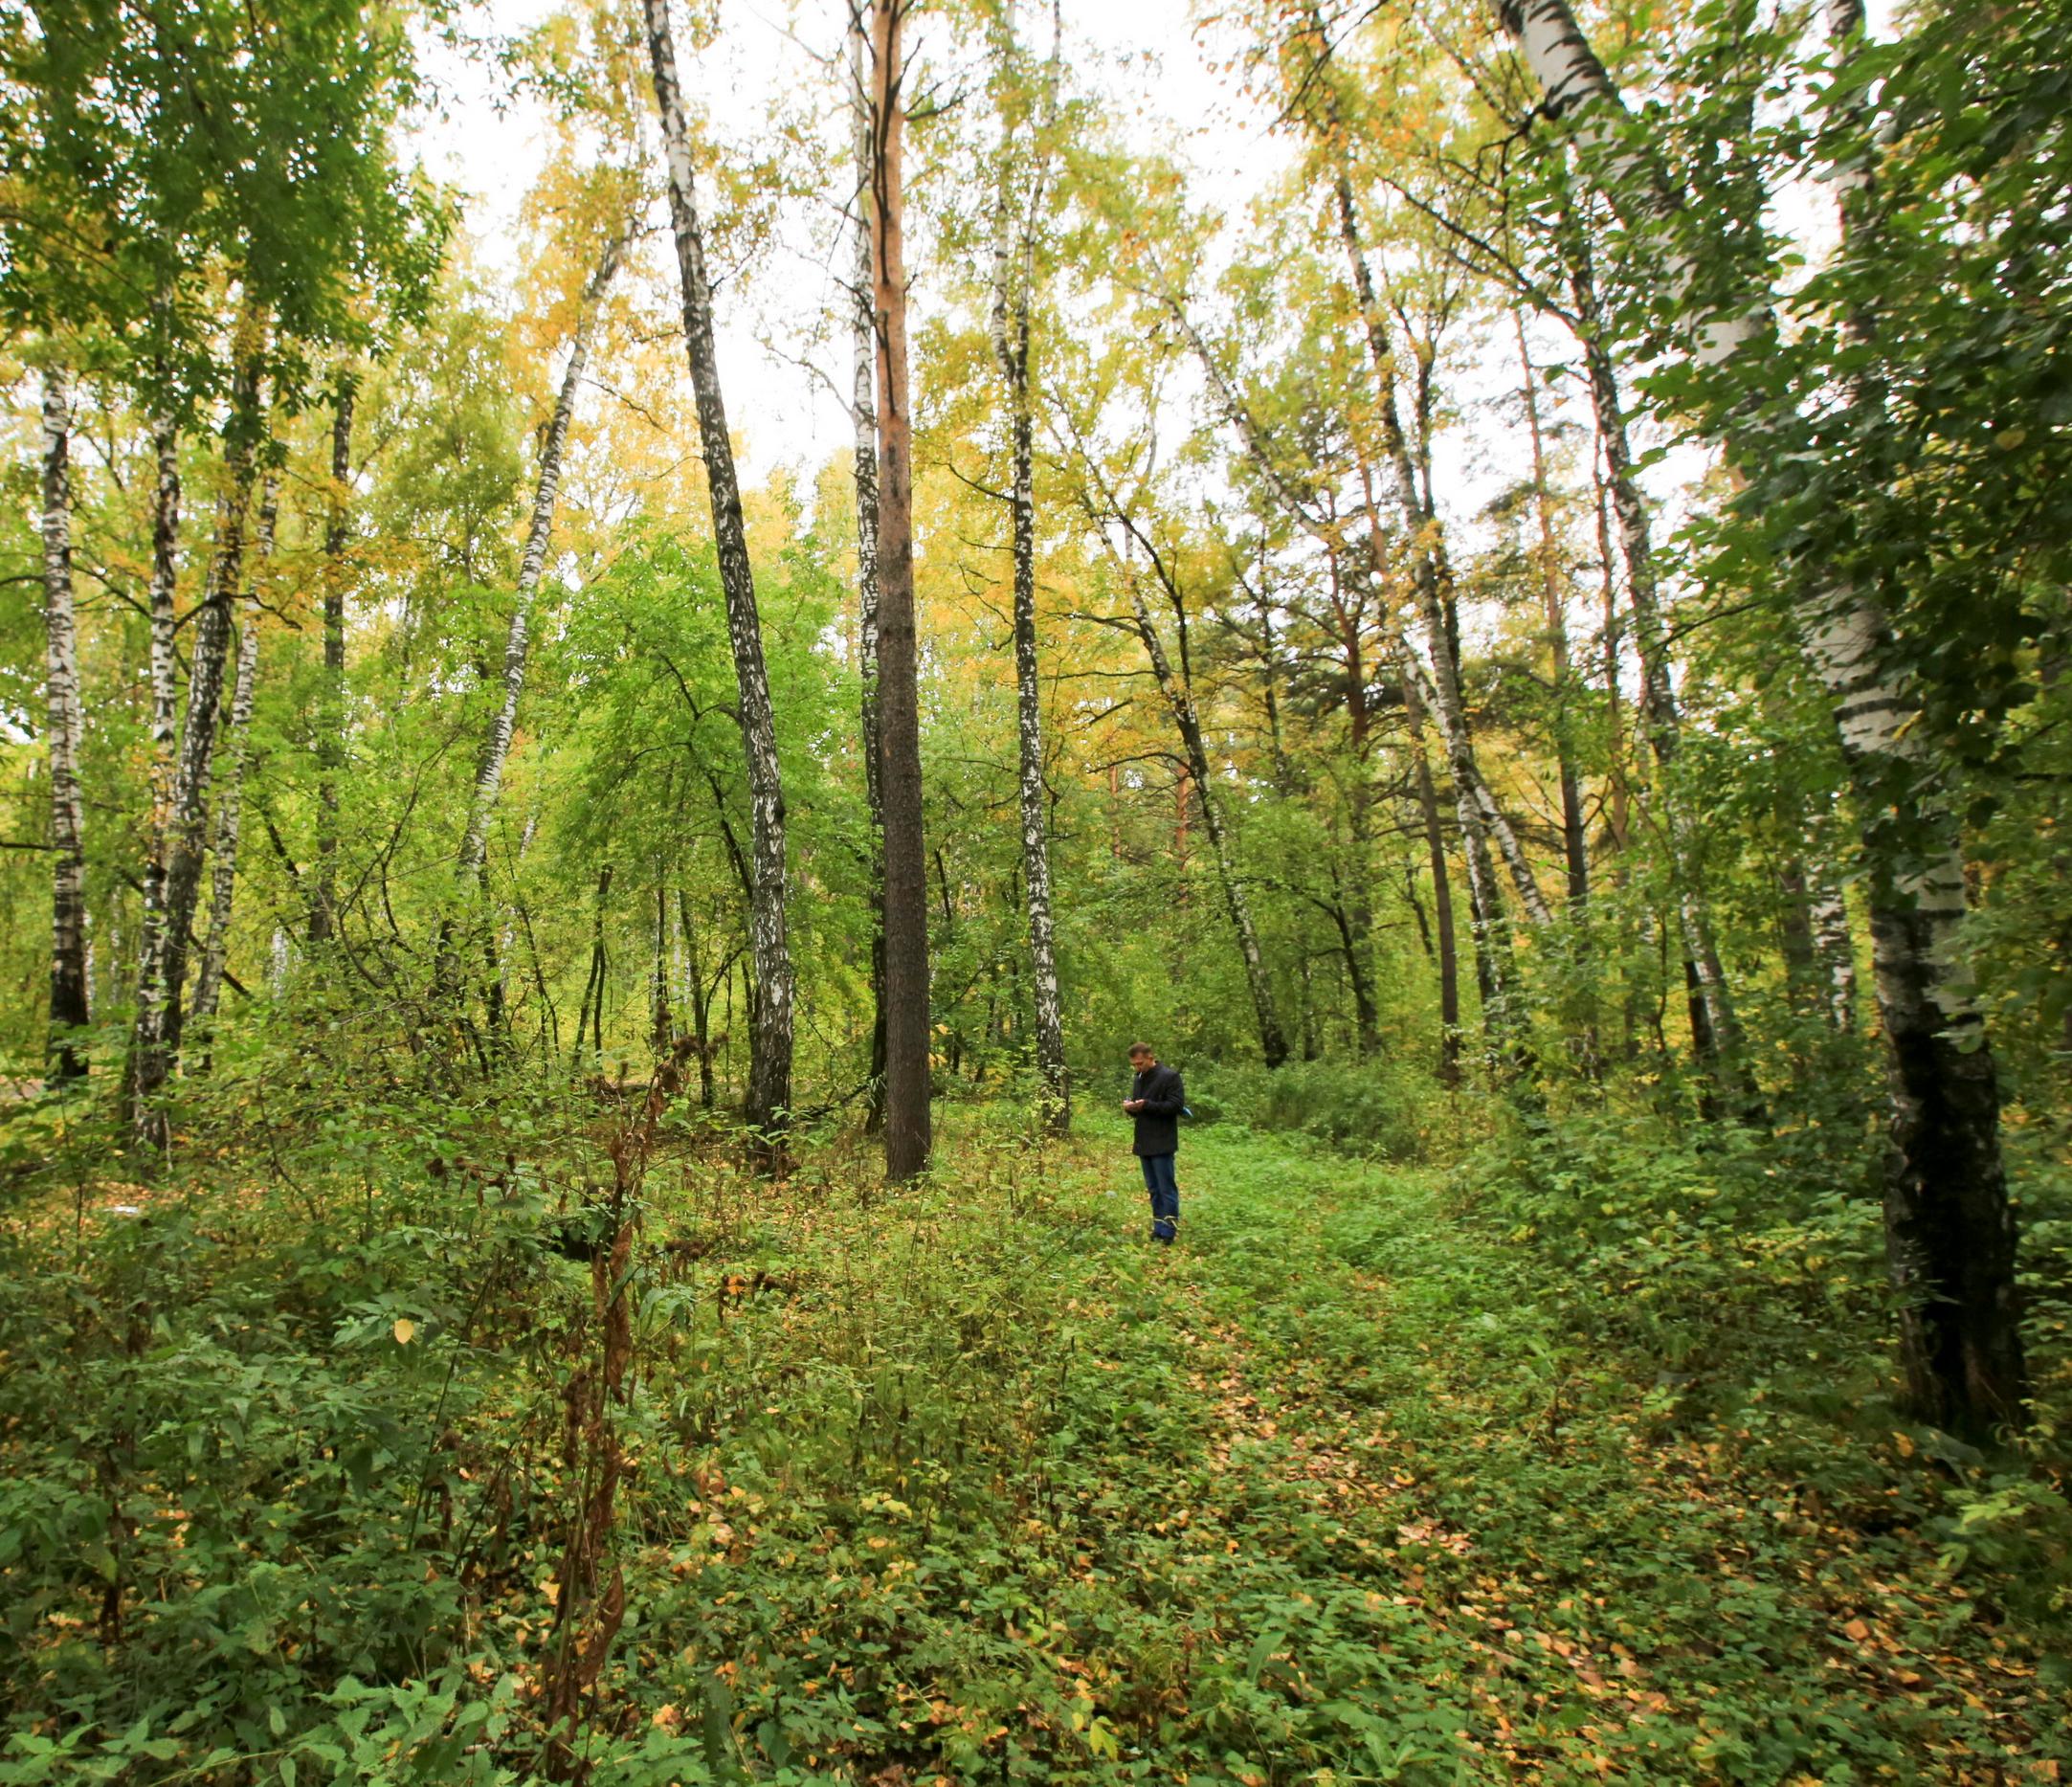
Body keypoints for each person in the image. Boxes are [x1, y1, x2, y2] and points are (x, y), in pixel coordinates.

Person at [1122, 1042, 1185, 1244]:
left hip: (1162, 1140)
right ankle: (1159, 1227)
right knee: (1154, 1189)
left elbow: (1175, 1105)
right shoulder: (1138, 1078)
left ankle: (1169, 1231)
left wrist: (1147, 1105)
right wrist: (1131, 1108)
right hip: (1144, 1140)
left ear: (1150, 1057)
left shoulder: (1170, 1077)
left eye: (1140, 1063)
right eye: (1134, 1065)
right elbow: (1139, 1106)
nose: (1137, 1068)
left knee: (1166, 1188)